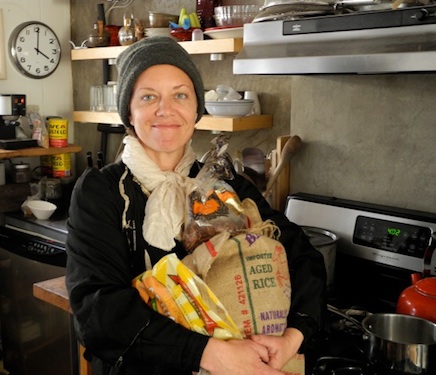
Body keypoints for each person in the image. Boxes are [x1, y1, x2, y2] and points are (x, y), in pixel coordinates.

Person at [65, 36, 327, 375]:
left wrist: (293, 337)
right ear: (129, 111)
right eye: (148, 97)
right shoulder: (102, 193)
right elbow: (97, 311)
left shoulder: (222, 184)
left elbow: (302, 256)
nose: (166, 109)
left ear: (196, 109)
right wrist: (212, 355)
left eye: (180, 95)